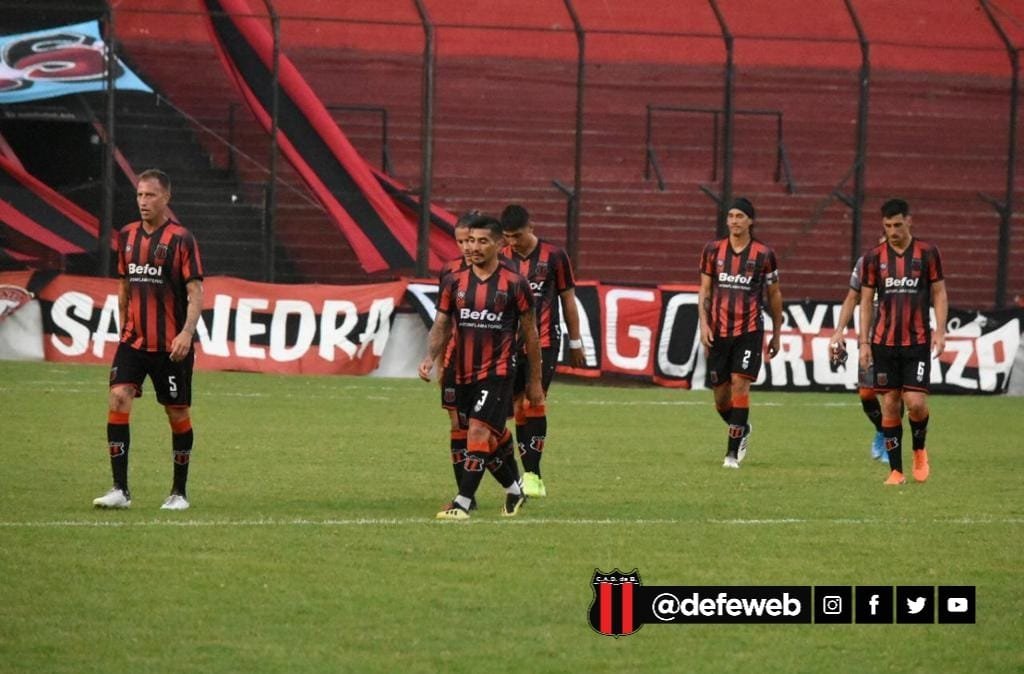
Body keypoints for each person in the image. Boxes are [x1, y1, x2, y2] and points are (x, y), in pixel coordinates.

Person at [92, 169, 204, 510]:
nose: (143, 201)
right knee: (118, 397)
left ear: (166, 198)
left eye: (150, 195)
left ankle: (179, 493)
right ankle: (120, 490)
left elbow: (196, 291)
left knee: (177, 412)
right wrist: (124, 326)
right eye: (140, 195)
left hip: (171, 346)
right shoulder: (127, 235)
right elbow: (124, 285)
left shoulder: (182, 239)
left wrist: (186, 332)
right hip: (134, 341)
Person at [421, 215, 544, 520]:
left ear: (500, 245)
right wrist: (430, 357)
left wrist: (534, 381)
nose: (473, 247)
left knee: (477, 430)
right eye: (470, 241)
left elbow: (531, 334)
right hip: (461, 371)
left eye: (482, 241)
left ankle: (462, 503)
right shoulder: (454, 281)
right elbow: (442, 324)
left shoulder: (515, 283)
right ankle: (514, 490)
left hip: (498, 371)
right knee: (488, 437)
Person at [859, 198, 946, 485]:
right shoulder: (874, 258)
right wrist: (864, 343)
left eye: (898, 224)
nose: (893, 231)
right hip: (883, 343)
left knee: (916, 403)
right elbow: (866, 302)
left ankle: (919, 450)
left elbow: (939, 293)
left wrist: (941, 330)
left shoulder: (928, 253)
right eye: (888, 226)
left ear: (909, 221)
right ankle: (896, 471)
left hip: (917, 341)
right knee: (890, 404)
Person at [499, 204, 585, 498]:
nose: (513, 242)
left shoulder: (555, 256)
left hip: (545, 341)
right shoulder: (502, 258)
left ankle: (534, 476)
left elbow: (568, 299)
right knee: (515, 408)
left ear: (531, 227)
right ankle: (523, 474)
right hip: (509, 344)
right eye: (508, 236)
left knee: (532, 401)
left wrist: (576, 341)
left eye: (518, 235)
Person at [697, 197, 783, 469]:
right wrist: (704, 324)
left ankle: (731, 455)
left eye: (740, 216)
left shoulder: (764, 254)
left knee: (739, 384)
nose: (734, 221)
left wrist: (777, 332)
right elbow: (705, 290)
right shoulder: (712, 251)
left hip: (749, 330)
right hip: (718, 330)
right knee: (721, 397)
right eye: (731, 216)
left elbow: (774, 294)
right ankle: (742, 428)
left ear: (750, 221)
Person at [828, 240, 891, 463]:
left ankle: (890, 442)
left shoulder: (910, 264)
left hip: (898, 339)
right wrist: (839, 331)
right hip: (869, 339)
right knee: (867, 394)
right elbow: (852, 298)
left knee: (891, 394)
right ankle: (882, 430)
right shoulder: (866, 263)